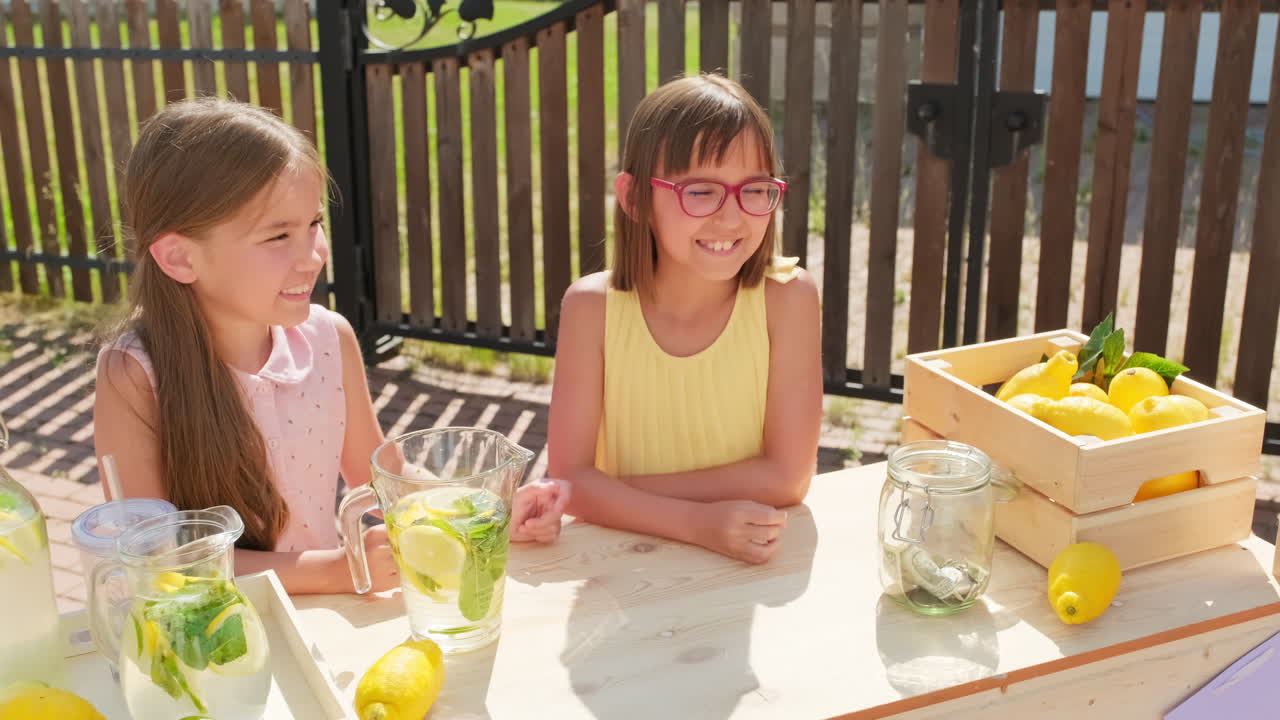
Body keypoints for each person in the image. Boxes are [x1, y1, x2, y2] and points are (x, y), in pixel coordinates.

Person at [94, 98, 568, 595]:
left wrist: (482, 517)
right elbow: (155, 561)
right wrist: (338, 570)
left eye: (314, 225)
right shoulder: (133, 374)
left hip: (327, 626)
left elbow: (386, 478)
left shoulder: (329, 338)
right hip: (207, 645)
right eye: (278, 235)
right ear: (179, 257)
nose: (314, 256)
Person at [546, 75, 822, 565]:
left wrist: (607, 494)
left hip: (748, 564)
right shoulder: (591, 309)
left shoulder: (789, 299)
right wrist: (698, 524)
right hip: (620, 566)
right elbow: (572, 482)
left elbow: (787, 479)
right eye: (700, 192)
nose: (732, 219)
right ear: (633, 199)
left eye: (754, 190)